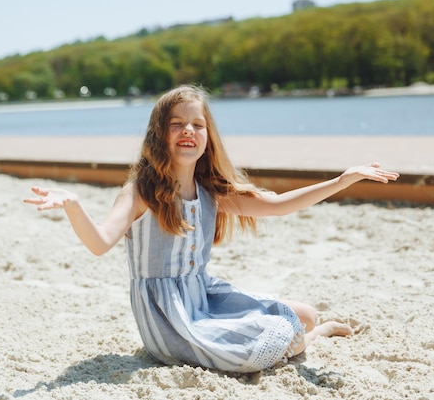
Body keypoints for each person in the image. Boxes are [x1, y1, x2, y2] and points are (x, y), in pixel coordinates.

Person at [24, 84, 399, 373]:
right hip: (171, 319)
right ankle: (313, 339)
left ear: (207, 137)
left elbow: (279, 205)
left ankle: (313, 333)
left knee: (305, 314)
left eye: (197, 124)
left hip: (203, 296)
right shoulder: (141, 191)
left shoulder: (211, 192)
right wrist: (73, 206)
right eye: (177, 124)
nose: (188, 130)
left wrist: (341, 180)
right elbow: (100, 242)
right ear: (160, 134)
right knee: (294, 335)